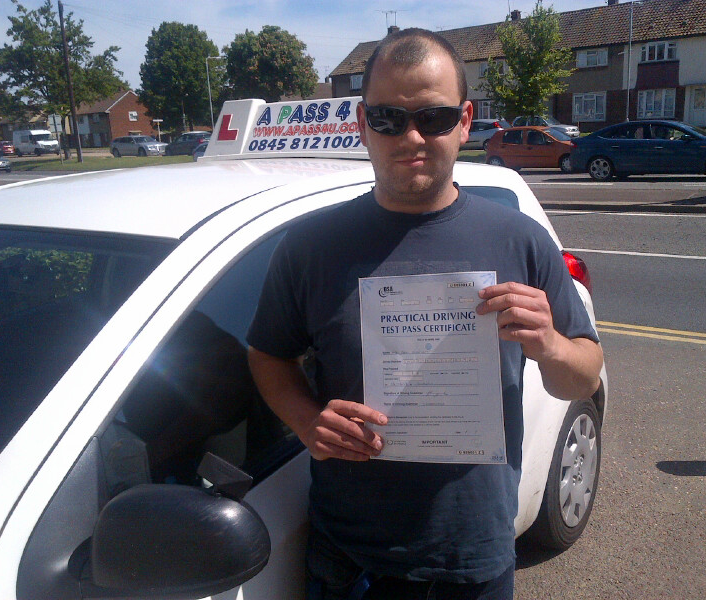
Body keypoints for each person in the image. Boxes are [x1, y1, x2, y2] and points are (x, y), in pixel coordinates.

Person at [247, 28, 604, 600]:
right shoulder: (310, 247)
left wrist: (551, 344)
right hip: (350, 558)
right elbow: (268, 354)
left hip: (474, 556)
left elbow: (583, 374)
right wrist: (306, 420)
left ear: (464, 121)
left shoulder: (521, 240)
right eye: (389, 118)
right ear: (363, 125)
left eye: (433, 118)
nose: (410, 136)